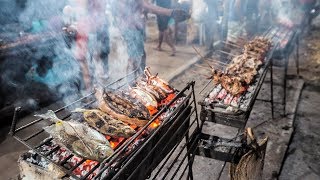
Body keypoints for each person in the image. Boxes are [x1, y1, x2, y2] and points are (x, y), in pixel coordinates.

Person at [110, 0, 189, 83]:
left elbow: (145, 5)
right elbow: (146, 5)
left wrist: (170, 12)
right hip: (130, 29)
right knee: (134, 58)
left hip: (135, 27)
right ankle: (130, 84)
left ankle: (142, 77)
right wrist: (170, 12)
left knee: (142, 54)